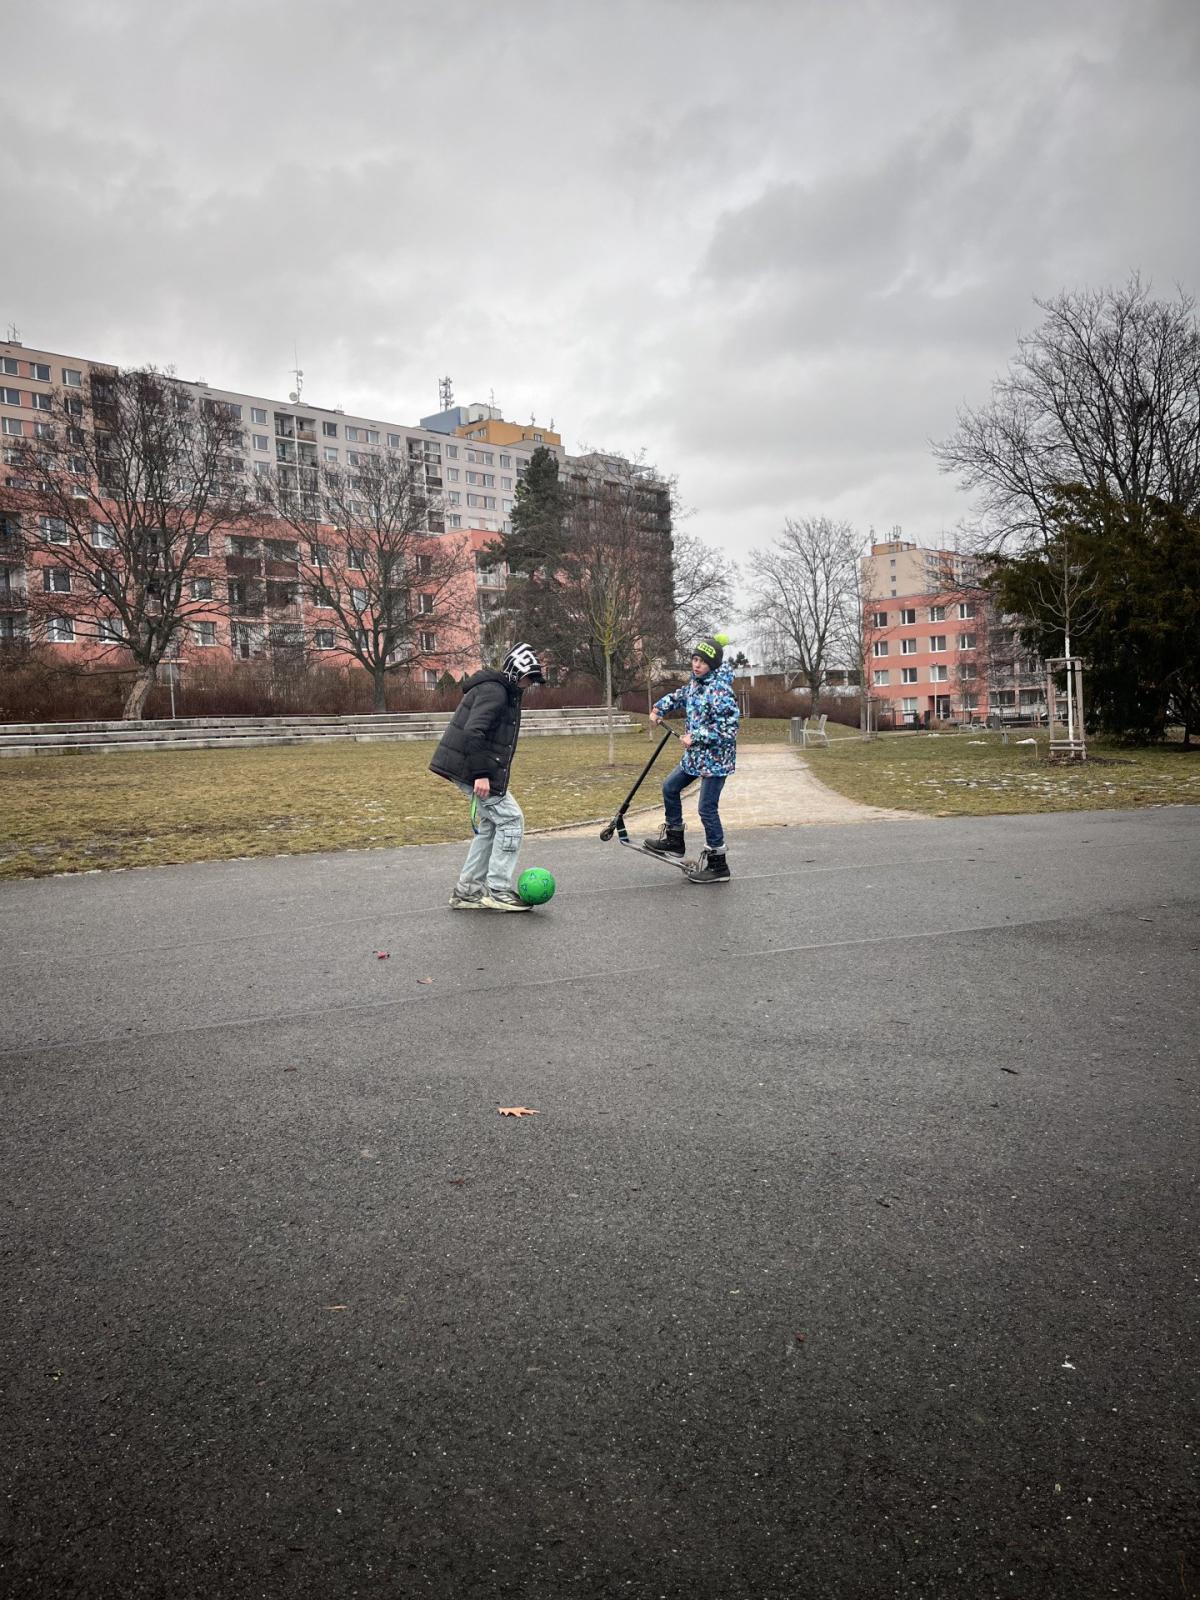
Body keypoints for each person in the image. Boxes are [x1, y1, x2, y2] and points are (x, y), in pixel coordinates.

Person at [429, 641, 545, 911]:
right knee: (511, 820)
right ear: (515, 672)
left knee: (492, 826)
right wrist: (481, 775)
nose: (530, 683)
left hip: (475, 768)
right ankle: (498, 890)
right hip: (474, 770)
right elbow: (473, 732)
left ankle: (467, 891)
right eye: (528, 677)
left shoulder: (502, 691)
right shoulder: (495, 691)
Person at [644, 633, 739, 884]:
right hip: (696, 757)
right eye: (695, 659)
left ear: (713, 665)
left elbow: (728, 730)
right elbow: (680, 695)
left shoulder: (721, 691)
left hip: (716, 761)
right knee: (670, 787)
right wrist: (659, 708)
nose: (697, 665)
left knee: (706, 808)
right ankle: (674, 840)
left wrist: (695, 736)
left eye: (703, 662)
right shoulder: (696, 683)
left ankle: (718, 864)